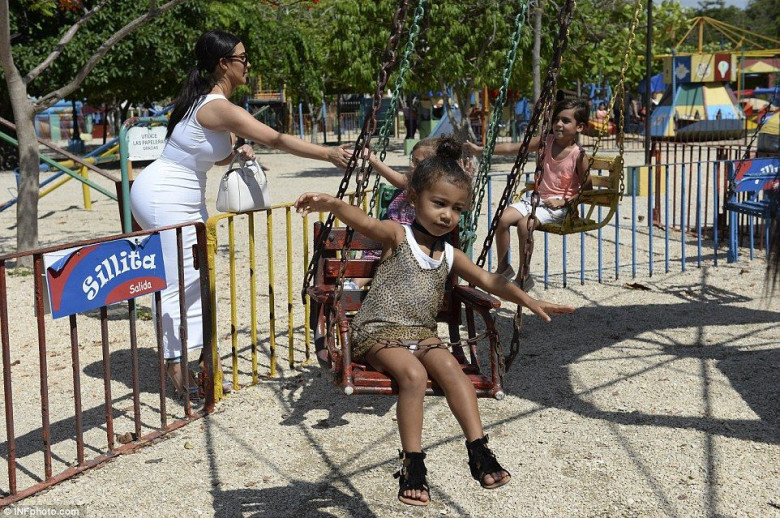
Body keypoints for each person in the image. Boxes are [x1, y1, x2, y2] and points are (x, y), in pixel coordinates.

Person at [294, 140, 574, 507]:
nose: (447, 215)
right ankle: (413, 464)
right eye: (439, 204)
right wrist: (332, 204)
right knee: (413, 375)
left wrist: (529, 300)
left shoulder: (450, 253)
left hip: (421, 334)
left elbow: (491, 281)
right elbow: (363, 221)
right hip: (376, 331)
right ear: (414, 198)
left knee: (453, 371)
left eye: (457, 209)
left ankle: (479, 450)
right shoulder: (398, 235)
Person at [130, 30, 350, 399]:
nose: (248, 65)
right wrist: (327, 154)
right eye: (243, 58)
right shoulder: (218, 106)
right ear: (223, 64)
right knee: (179, 279)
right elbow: (276, 138)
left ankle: (200, 361)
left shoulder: (207, 103)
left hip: (183, 192)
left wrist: (234, 155)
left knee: (198, 278)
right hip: (165, 194)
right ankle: (175, 364)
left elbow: (205, 154)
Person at [463, 99, 592, 288]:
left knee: (525, 225)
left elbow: (587, 191)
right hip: (538, 201)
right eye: (556, 119)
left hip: (560, 207)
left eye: (565, 121)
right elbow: (513, 147)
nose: (558, 124)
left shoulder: (578, 156)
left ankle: (524, 275)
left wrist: (564, 202)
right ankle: (504, 267)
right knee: (502, 219)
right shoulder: (545, 142)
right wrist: (481, 150)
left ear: (579, 127)